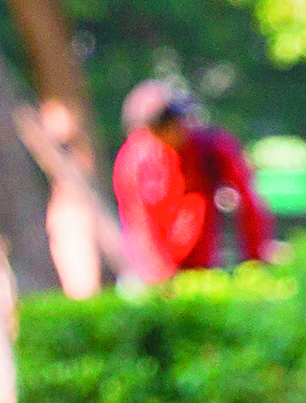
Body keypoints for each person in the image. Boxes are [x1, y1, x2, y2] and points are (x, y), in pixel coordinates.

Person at [110, 76, 277, 281]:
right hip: (152, 272)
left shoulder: (212, 148)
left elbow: (249, 204)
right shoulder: (135, 156)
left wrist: (254, 262)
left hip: (202, 265)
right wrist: (158, 275)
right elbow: (136, 222)